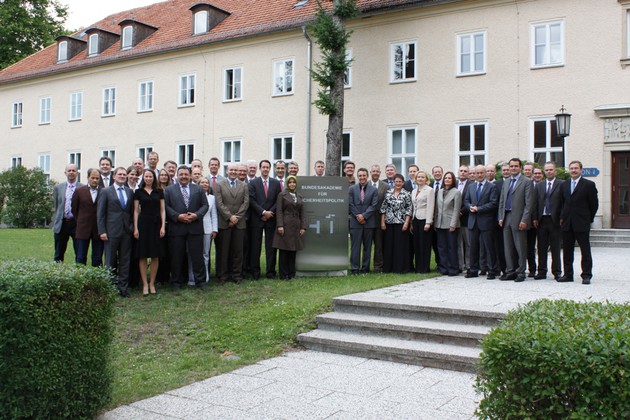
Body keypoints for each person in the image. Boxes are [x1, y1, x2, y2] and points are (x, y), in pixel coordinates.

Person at [164, 166, 209, 289]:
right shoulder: (169, 190)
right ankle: (176, 282)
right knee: (176, 256)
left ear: (190, 175)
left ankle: (200, 282)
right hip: (177, 227)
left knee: (197, 256)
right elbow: (166, 207)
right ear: (177, 176)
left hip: (195, 227)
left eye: (186, 174)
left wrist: (196, 215)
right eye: (181, 174)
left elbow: (205, 205)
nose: (183, 177)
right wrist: (177, 216)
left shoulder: (199, 189)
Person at [559, 160, 599, 284]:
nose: (573, 170)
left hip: (582, 222)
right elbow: (562, 203)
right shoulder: (564, 185)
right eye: (571, 168)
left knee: (585, 250)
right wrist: (562, 217)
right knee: (567, 250)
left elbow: (594, 205)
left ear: (581, 170)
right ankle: (568, 274)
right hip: (567, 223)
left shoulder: (588, 185)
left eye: (576, 168)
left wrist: (589, 219)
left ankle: (586, 275)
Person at [97, 167, 134, 297]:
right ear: (114, 176)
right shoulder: (106, 191)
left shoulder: (130, 192)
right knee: (110, 260)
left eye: (124, 174)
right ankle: (110, 287)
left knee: (125, 260)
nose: (122, 176)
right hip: (111, 231)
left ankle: (123, 287)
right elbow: (100, 213)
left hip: (126, 231)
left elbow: (130, 212)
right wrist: (102, 231)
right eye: (120, 174)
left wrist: (131, 227)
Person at [498, 158, 534, 282]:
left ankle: (521, 272)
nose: (513, 168)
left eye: (515, 166)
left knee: (520, 246)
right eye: (511, 166)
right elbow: (502, 201)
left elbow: (529, 204)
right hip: (506, 216)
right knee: (508, 246)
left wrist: (525, 220)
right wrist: (500, 217)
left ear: (520, 168)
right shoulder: (506, 181)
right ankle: (510, 270)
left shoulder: (526, 182)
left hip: (519, 218)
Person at [214, 163, 249, 284]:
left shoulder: (244, 185)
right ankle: (223, 276)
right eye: (231, 170)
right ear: (227, 171)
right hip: (225, 223)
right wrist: (229, 217)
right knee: (224, 251)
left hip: (239, 223)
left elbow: (246, 203)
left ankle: (237, 275)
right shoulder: (219, 185)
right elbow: (219, 203)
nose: (233, 172)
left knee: (238, 251)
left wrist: (236, 218)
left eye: (235, 170)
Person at [133, 169, 166, 296]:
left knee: (155, 255)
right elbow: (136, 211)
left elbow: (163, 210)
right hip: (143, 225)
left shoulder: (160, 192)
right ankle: (145, 284)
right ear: (143, 178)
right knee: (142, 255)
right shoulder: (138, 192)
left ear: (154, 178)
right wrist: (136, 228)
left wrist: (163, 226)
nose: (148, 178)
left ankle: (152, 283)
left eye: (150, 176)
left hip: (156, 224)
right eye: (146, 176)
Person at [463, 165, 499, 279]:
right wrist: (470, 207)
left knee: (489, 247)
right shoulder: (471, 186)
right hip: (473, 221)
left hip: (486, 221)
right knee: (473, 247)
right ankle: (473, 270)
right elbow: (466, 200)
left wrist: (479, 209)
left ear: (485, 173)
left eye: (481, 173)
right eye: (477, 173)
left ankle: (491, 270)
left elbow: (493, 203)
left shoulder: (491, 186)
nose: (479, 175)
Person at [249, 160, 281, 280]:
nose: (265, 169)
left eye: (267, 167)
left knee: (271, 247)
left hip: (271, 219)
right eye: (263, 167)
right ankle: (255, 272)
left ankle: (270, 272)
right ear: (260, 168)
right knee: (255, 247)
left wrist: (269, 213)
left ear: (270, 169)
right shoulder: (253, 183)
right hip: (257, 219)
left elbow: (278, 200)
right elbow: (251, 200)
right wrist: (262, 212)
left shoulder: (275, 183)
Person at [532, 161, 564, 280]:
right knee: (541, 247)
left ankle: (557, 271)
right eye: (547, 170)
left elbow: (564, 202)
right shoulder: (539, 185)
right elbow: (535, 203)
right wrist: (535, 217)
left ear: (555, 171)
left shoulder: (561, 184)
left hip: (555, 220)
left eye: (551, 170)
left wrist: (562, 217)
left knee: (555, 247)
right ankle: (541, 271)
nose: (549, 172)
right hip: (542, 220)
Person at [272, 176, 306, 279]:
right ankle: (283, 274)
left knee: (293, 250)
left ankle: (291, 273)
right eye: (290, 182)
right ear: (287, 183)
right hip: (285, 225)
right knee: (284, 251)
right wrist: (280, 225)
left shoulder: (299, 196)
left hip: (296, 226)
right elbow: (279, 211)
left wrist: (303, 227)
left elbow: (302, 213)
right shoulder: (282, 195)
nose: (292, 184)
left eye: (294, 182)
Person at [380, 173, 412, 273]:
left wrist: (406, 223)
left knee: (400, 246)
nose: (398, 183)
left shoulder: (406, 194)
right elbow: (383, 208)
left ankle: (400, 268)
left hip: (401, 223)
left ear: (403, 183)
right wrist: (382, 222)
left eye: (400, 182)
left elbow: (409, 209)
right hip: (389, 223)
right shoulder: (388, 193)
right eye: (396, 181)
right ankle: (388, 268)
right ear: (393, 182)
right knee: (389, 246)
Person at [349, 168, 378, 274]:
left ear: (367, 176)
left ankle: (365, 269)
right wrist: (358, 216)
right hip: (355, 223)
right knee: (355, 247)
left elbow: (374, 205)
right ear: (358, 176)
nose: (362, 177)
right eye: (360, 175)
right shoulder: (352, 189)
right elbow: (350, 204)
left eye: (364, 175)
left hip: (368, 222)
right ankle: (355, 268)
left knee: (367, 247)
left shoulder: (373, 189)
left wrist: (364, 216)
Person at [71, 167, 103, 266]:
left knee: (97, 257)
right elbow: (74, 209)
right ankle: (80, 278)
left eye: (97, 178)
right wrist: (81, 220)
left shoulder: (103, 191)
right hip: (83, 228)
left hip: (98, 229)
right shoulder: (79, 191)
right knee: (81, 256)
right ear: (88, 178)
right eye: (92, 178)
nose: (95, 180)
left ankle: (96, 279)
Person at [53, 164, 83, 262]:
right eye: (69, 171)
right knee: (58, 253)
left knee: (79, 252)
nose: (71, 172)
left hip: (76, 223)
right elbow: (57, 205)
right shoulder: (58, 187)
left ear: (77, 173)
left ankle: (79, 272)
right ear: (65, 173)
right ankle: (57, 273)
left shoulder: (82, 188)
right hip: (62, 223)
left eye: (73, 171)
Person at [435, 171, 461, 276]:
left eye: (449, 178)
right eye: (446, 178)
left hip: (451, 224)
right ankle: (443, 268)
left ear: (453, 180)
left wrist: (453, 224)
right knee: (441, 247)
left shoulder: (456, 192)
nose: (447, 180)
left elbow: (456, 209)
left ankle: (453, 268)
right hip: (440, 223)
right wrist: (435, 223)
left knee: (451, 247)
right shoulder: (440, 191)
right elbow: (437, 208)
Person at [411, 170, 435, 273]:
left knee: (424, 244)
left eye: (422, 177)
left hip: (424, 219)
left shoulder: (429, 190)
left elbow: (431, 206)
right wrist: (411, 222)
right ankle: (418, 267)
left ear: (426, 179)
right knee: (417, 244)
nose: (420, 179)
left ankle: (425, 268)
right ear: (415, 179)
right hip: (415, 219)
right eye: (418, 177)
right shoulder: (414, 190)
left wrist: (428, 222)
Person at [369, 164, 390, 273]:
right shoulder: (365, 184)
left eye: (377, 171)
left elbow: (387, 204)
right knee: (367, 245)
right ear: (370, 172)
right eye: (374, 171)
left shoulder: (385, 186)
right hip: (367, 220)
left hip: (379, 220)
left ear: (380, 173)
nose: (375, 173)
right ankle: (365, 266)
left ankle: (378, 267)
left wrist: (384, 219)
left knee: (379, 245)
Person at [198, 178, 218, 282]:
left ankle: (205, 277)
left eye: (206, 182)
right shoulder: (194, 195)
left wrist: (214, 229)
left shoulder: (212, 198)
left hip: (207, 229)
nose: (205, 184)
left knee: (206, 254)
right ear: (198, 184)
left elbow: (213, 214)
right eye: (202, 182)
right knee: (195, 254)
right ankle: (193, 277)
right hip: (195, 228)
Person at [457, 165, 472, 273]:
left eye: (465, 171)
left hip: (466, 218)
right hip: (455, 220)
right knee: (458, 243)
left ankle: (469, 265)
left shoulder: (472, 184)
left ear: (468, 173)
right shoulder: (454, 184)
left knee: (468, 243)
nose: (462, 173)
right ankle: (459, 265)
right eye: (461, 171)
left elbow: (470, 201)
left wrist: (461, 212)